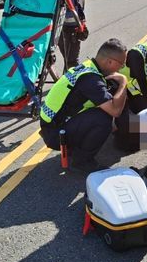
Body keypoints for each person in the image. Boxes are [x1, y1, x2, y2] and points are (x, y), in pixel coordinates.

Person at [40, 38, 128, 174]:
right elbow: (115, 111)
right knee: (104, 118)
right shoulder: (91, 80)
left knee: (108, 100)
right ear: (109, 61)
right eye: (121, 65)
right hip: (55, 133)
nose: (121, 68)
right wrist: (123, 82)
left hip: (53, 124)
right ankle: (81, 162)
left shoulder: (88, 67)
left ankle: (77, 146)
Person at [58, 0, 87, 72]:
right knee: (70, 58)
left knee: (71, 58)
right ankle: (70, 79)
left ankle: (72, 80)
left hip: (70, 21)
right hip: (66, 22)